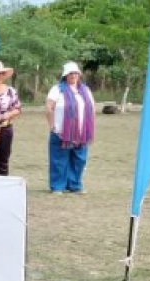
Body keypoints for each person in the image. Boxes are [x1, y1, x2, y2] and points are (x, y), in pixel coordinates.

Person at [45, 61, 96, 194]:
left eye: (75, 73)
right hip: (61, 131)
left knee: (79, 160)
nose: (73, 75)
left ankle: (74, 185)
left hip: (81, 132)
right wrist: (52, 126)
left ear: (79, 75)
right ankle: (57, 186)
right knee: (59, 160)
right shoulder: (57, 89)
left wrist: (90, 127)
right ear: (65, 75)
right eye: (70, 73)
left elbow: (91, 108)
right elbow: (49, 108)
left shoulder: (85, 90)